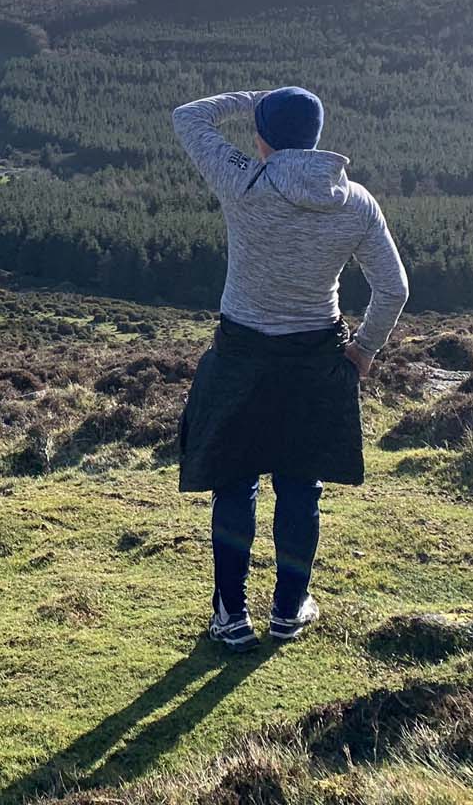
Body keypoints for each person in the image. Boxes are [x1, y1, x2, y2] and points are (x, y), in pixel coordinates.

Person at [172, 86, 409, 651]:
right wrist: (365, 350)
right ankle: (287, 608)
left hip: (241, 353)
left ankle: (230, 614)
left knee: (234, 482)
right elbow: (393, 288)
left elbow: (190, 116)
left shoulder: (243, 180)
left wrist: (254, 97)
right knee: (301, 485)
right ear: (316, 135)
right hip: (313, 358)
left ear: (261, 138)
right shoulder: (355, 201)